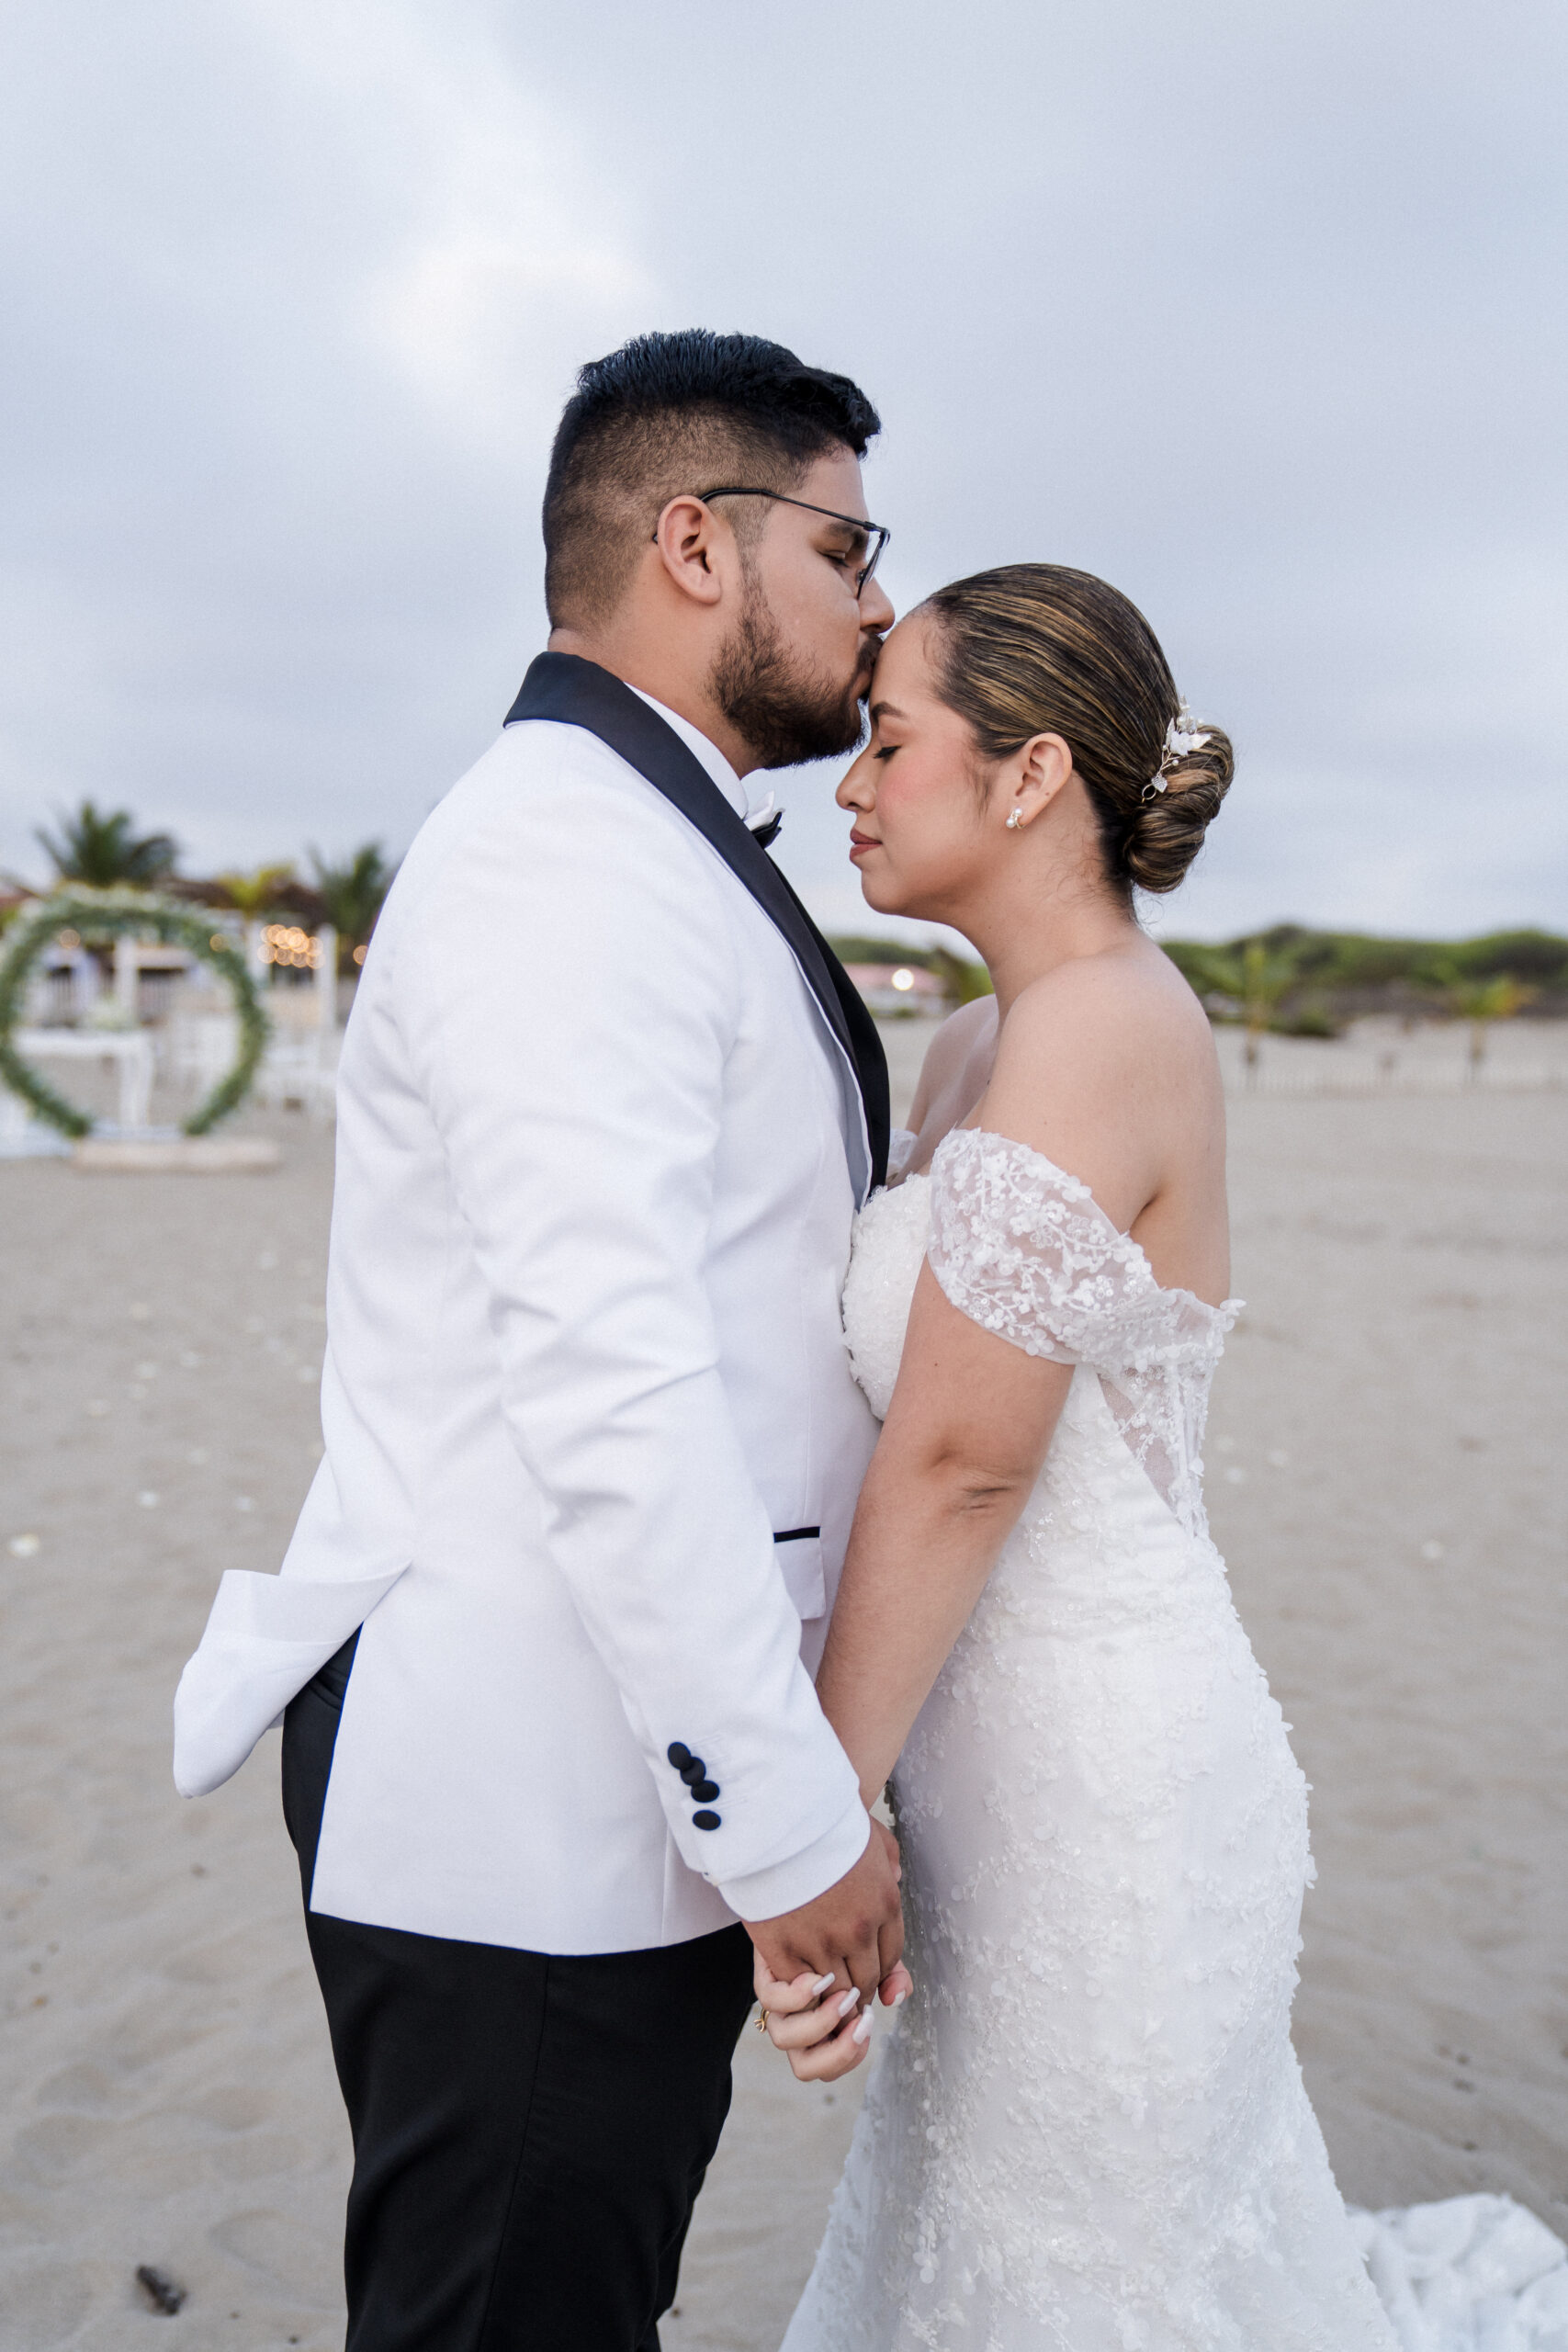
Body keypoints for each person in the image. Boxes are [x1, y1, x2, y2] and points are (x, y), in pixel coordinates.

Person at [173, 329, 907, 2351]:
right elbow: (614, 1381)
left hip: (607, 1779)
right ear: (694, 539)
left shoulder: (632, 839)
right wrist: (782, 1820)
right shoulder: (562, 860)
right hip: (530, 1810)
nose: (873, 603)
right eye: (848, 544)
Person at [755, 565, 1401, 2347]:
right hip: (978, 1769)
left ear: (1028, 773)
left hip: (1096, 1790)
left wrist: (808, 1809)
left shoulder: (1103, 1023)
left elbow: (965, 1459)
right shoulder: (978, 1040)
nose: (850, 783)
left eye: (888, 740)